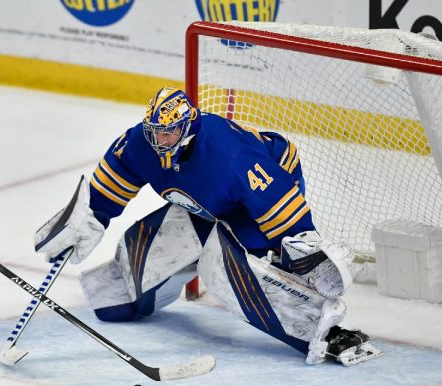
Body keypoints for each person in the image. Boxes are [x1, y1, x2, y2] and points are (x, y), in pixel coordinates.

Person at [35, 86, 381, 366]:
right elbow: (106, 192)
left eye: (169, 133)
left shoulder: (230, 156)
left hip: (263, 192)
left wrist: (300, 249)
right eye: (155, 131)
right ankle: (127, 291)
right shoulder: (140, 144)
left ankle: (326, 331)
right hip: (207, 204)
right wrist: (85, 222)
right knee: (125, 285)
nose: (160, 140)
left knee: (228, 272)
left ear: (187, 129)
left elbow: (278, 206)